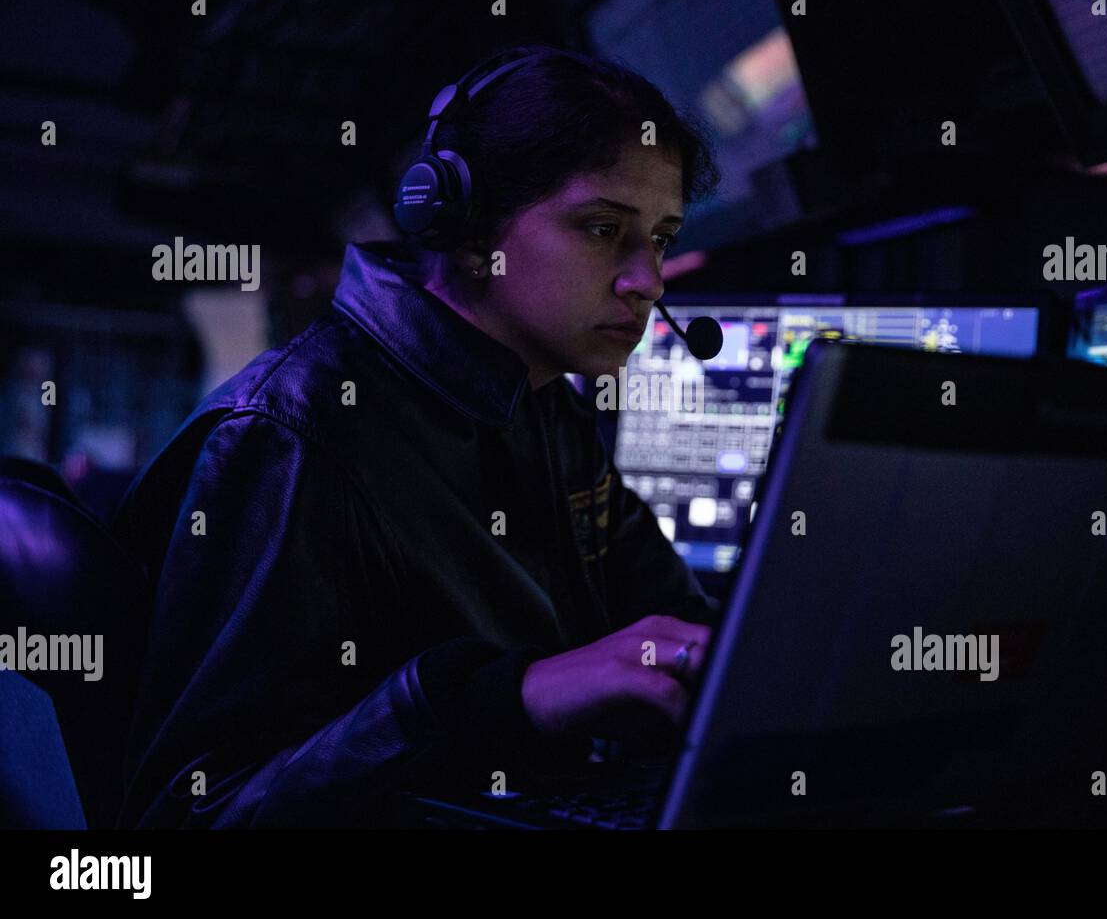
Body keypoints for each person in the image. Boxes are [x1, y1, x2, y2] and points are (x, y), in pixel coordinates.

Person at [110, 43, 723, 827]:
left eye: (662, 238)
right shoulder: (291, 433)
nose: (649, 281)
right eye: (604, 229)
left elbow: (677, 625)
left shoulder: (546, 407)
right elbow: (187, 813)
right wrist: (497, 699)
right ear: (467, 231)